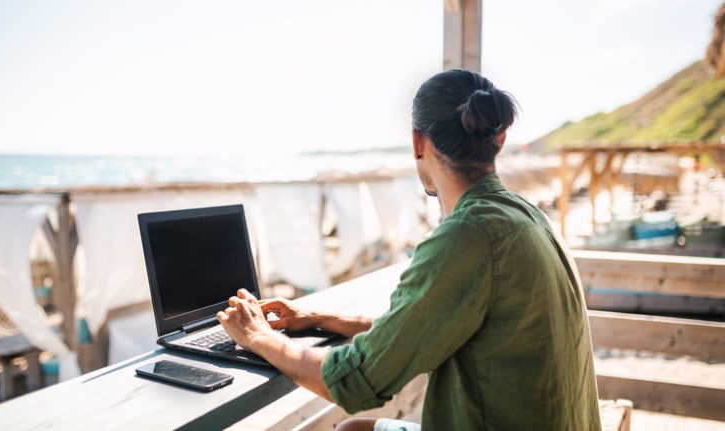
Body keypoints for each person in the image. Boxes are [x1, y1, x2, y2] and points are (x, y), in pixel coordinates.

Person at [218, 69, 601, 431]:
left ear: (419, 142)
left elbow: (355, 381)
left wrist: (256, 336)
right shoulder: (524, 215)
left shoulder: (468, 235)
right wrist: (317, 317)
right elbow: (422, 328)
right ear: (498, 140)